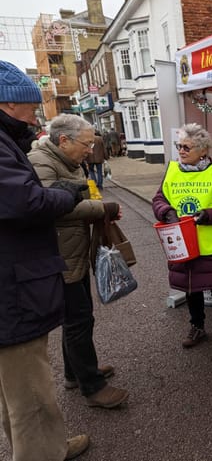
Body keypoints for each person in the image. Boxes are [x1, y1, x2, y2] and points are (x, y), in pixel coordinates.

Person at [0, 60, 90, 460]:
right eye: (31, 105)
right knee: (30, 391)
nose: (36, 113)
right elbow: (27, 201)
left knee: (13, 390)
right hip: (12, 287)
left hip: (12, 280)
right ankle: (41, 452)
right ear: (8, 103)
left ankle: (43, 446)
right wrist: (69, 194)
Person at [28, 114, 130, 410]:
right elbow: (53, 207)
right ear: (64, 140)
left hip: (71, 252)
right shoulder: (41, 161)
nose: (90, 149)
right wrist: (102, 208)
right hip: (60, 255)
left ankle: (76, 373)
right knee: (79, 320)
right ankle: (93, 387)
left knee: (76, 318)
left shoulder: (64, 160)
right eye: (86, 144)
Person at [152, 123, 212, 350]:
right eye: (179, 146)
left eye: (187, 147)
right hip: (183, 243)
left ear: (203, 151)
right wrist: (166, 212)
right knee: (191, 288)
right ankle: (197, 326)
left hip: (211, 242)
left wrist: (209, 215)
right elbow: (159, 199)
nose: (181, 151)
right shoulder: (172, 171)